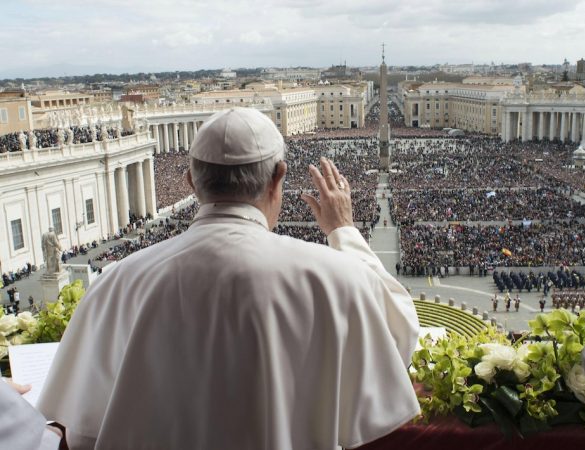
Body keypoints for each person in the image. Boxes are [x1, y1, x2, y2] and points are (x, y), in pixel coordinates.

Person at [37, 108, 420, 449]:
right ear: (278, 177)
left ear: (190, 181)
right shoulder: (334, 278)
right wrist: (344, 232)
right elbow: (400, 335)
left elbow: (83, 431)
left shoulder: (117, 283)